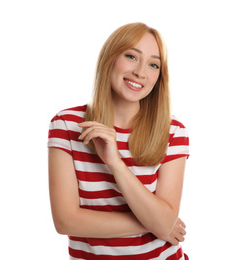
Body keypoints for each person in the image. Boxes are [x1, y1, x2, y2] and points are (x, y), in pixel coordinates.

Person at [48, 22, 190, 259]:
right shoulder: (67, 124)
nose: (140, 72)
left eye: (153, 64)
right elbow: (65, 221)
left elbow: (167, 220)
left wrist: (115, 163)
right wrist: (155, 223)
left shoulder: (173, 131)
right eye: (132, 56)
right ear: (110, 58)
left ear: (159, 77)